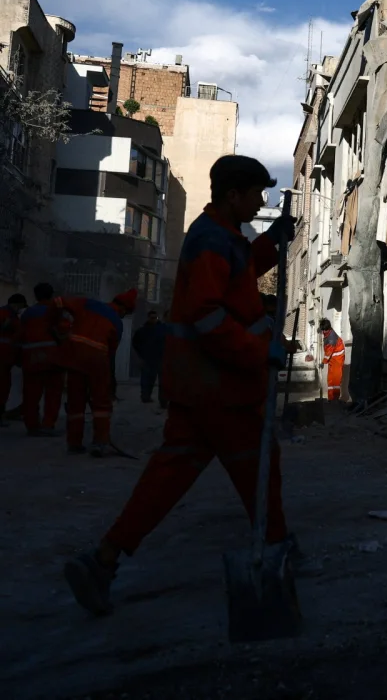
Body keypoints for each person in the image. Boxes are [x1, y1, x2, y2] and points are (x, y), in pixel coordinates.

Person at [63, 155, 316, 616]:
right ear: (233, 195)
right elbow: (209, 316)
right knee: (259, 466)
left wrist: (270, 244)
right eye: (256, 194)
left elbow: (237, 282)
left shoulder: (224, 238)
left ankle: (102, 560)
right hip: (221, 389)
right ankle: (279, 548)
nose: (261, 202)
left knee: (169, 477)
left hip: (202, 389)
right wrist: (261, 351)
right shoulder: (211, 241)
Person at [59, 290, 137, 456]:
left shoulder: (87, 304)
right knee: (101, 404)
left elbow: (58, 303)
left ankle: (74, 443)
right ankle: (100, 442)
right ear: (123, 309)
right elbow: (111, 352)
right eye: (127, 312)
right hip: (98, 362)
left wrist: (60, 326)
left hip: (75, 359)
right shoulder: (117, 321)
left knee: (75, 404)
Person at [20, 283, 65, 437]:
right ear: (51, 295)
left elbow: (20, 335)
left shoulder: (27, 314)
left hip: (31, 359)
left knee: (31, 394)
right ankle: (48, 424)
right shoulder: (57, 312)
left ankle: (32, 426)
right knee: (53, 393)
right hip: (54, 359)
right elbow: (64, 332)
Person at [0, 293, 26, 426]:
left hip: (7, 358)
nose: (21, 309)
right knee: (2, 386)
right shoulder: (5, 313)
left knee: (5, 386)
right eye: (20, 306)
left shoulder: (12, 316)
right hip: (3, 357)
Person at [131, 311, 168, 407]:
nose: (154, 320)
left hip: (161, 358)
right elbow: (136, 343)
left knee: (163, 381)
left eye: (155, 318)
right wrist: (141, 354)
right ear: (148, 318)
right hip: (148, 358)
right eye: (152, 318)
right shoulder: (143, 331)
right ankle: (146, 397)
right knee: (147, 379)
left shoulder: (163, 329)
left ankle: (163, 401)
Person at [319, 319, 345, 403]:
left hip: (338, 359)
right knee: (330, 379)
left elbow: (329, 351)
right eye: (322, 330)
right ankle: (331, 398)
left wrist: (323, 362)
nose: (323, 332)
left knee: (336, 379)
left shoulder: (332, 338)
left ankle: (336, 399)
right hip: (332, 359)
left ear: (328, 328)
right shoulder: (327, 333)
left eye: (324, 330)